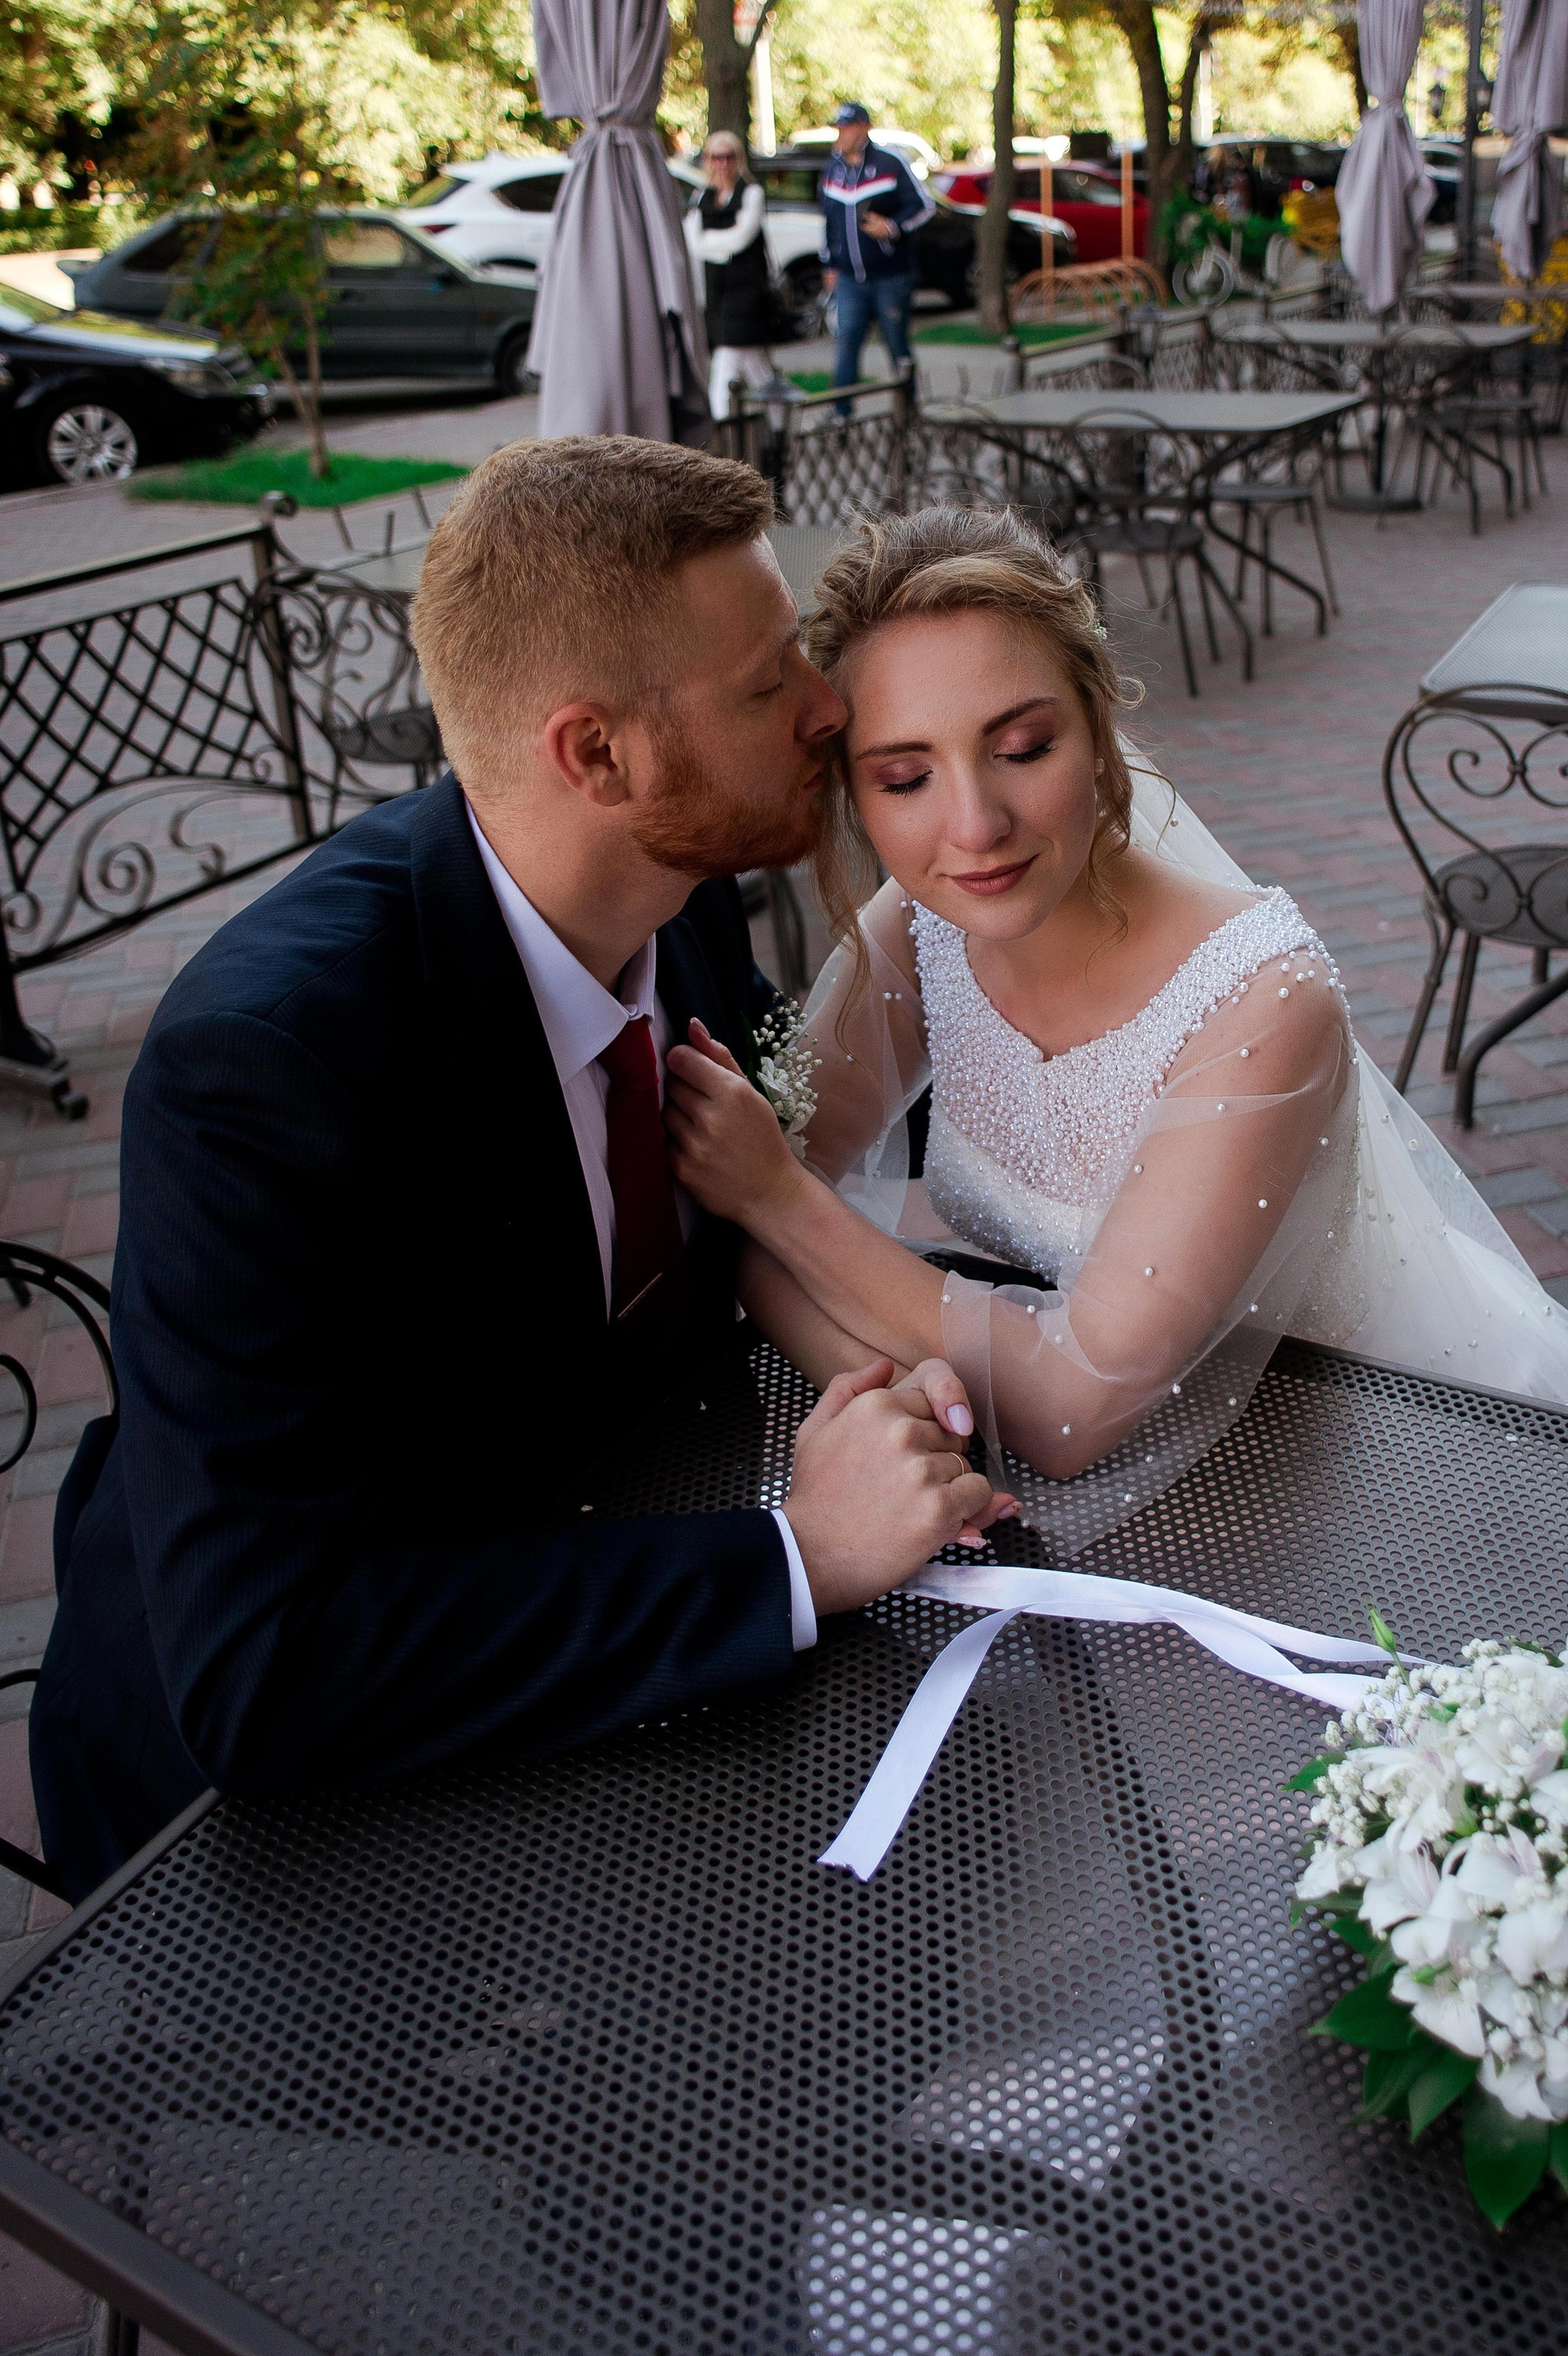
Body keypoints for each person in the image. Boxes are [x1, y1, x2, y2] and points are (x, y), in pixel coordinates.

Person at [31, 440, 1008, 1903]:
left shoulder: (673, 904)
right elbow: (270, 1666)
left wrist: (881, 1378)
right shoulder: (270, 1065)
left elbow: (716, 1249)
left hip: (595, 1570)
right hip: (279, 1829)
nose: (827, 709)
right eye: (766, 687)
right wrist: (792, 1556)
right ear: (595, 754)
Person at [665, 506, 1568, 1556]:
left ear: (1100, 723)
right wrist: (887, 1387)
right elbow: (749, 1227)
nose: (974, 825)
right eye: (906, 777)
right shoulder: (924, 925)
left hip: (1363, 1459)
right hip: (1091, 1468)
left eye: (1021, 747)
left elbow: (1065, 1405)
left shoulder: (1262, 1001)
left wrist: (778, 1198)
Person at [819, 102, 934, 423]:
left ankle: (909, 410)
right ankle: (842, 412)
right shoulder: (833, 169)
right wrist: (829, 262)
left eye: (848, 127)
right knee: (847, 340)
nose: (841, 134)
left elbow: (924, 206)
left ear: (864, 128)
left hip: (890, 275)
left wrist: (892, 227)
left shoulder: (890, 162)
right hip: (849, 277)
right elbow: (828, 221)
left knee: (896, 342)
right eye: (838, 128)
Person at [683, 131, 781, 423]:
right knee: (754, 365)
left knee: (727, 360)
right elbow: (693, 243)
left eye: (729, 157)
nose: (723, 163)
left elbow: (743, 237)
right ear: (708, 161)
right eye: (717, 157)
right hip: (717, 291)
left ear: (738, 160)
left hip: (748, 290)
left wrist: (712, 243)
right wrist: (722, 245)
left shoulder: (751, 193)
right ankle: (779, 421)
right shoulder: (701, 196)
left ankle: (721, 427)